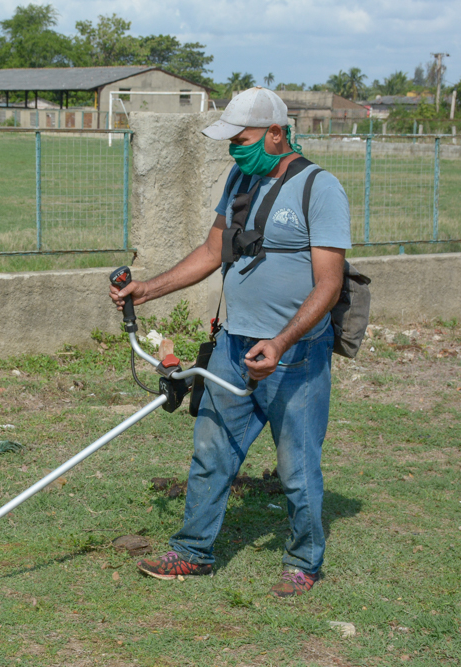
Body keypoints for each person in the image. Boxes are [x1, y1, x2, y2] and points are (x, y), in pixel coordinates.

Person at [109, 88, 351, 597]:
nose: (234, 151)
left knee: (296, 465)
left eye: (241, 141)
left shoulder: (320, 189)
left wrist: (282, 342)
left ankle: (303, 561)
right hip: (233, 346)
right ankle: (193, 551)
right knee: (212, 449)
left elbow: (329, 283)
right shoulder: (241, 178)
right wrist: (147, 289)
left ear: (276, 134)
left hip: (294, 354)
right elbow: (212, 250)